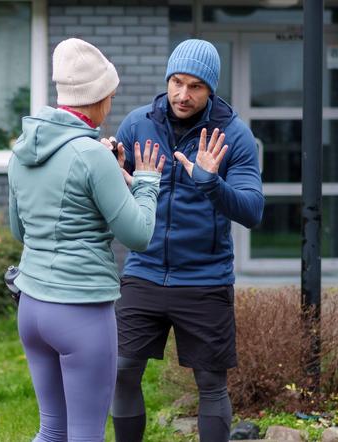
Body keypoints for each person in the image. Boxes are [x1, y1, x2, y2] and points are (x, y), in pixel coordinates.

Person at [8, 38, 165, 442]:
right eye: (110, 96)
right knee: (85, 434)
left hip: (31, 308)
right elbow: (139, 235)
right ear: (99, 98)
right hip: (80, 312)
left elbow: (19, 230)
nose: (111, 104)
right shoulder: (92, 155)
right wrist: (146, 182)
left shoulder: (23, 150)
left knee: (51, 430)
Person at [109, 39, 264, 442]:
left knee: (210, 383)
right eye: (176, 82)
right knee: (121, 369)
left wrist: (211, 183)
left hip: (204, 278)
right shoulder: (138, 123)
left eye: (195, 86)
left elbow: (252, 210)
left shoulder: (233, 136)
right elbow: (113, 193)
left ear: (211, 88)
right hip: (143, 271)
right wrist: (118, 178)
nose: (182, 94)